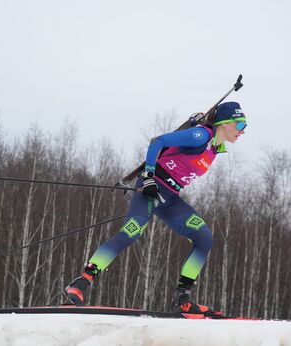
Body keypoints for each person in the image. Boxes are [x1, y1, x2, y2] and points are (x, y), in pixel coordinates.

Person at [63, 101, 247, 314]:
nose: (242, 132)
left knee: (204, 238)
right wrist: (149, 177)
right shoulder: (201, 136)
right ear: (225, 123)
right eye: (240, 125)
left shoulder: (215, 147)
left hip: (170, 197)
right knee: (131, 232)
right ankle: (79, 284)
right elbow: (158, 141)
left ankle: (182, 299)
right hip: (151, 188)